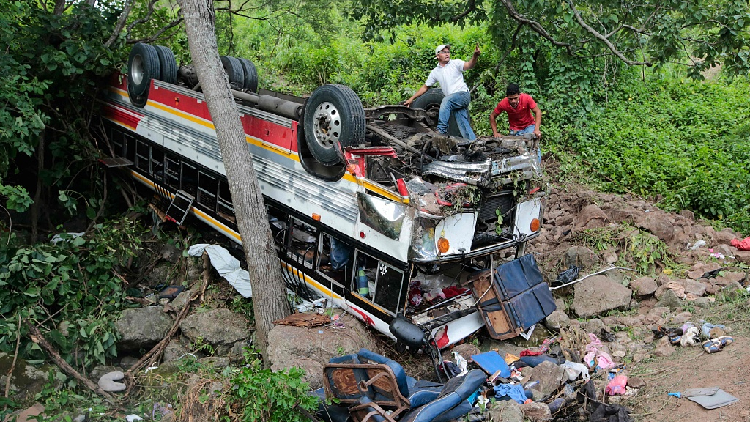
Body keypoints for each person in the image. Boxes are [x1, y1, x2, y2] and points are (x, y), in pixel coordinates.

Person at [404, 44, 480, 140]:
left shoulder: (455, 63)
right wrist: (411, 99)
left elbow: (469, 65)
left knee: (446, 101)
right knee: (463, 124)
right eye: (444, 52)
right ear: (437, 55)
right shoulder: (435, 72)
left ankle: (441, 130)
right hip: (454, 100)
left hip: (462, 95)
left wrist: (475, 56)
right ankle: (473, 143)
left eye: (448, 52)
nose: (447, 54)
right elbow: (425, 87)